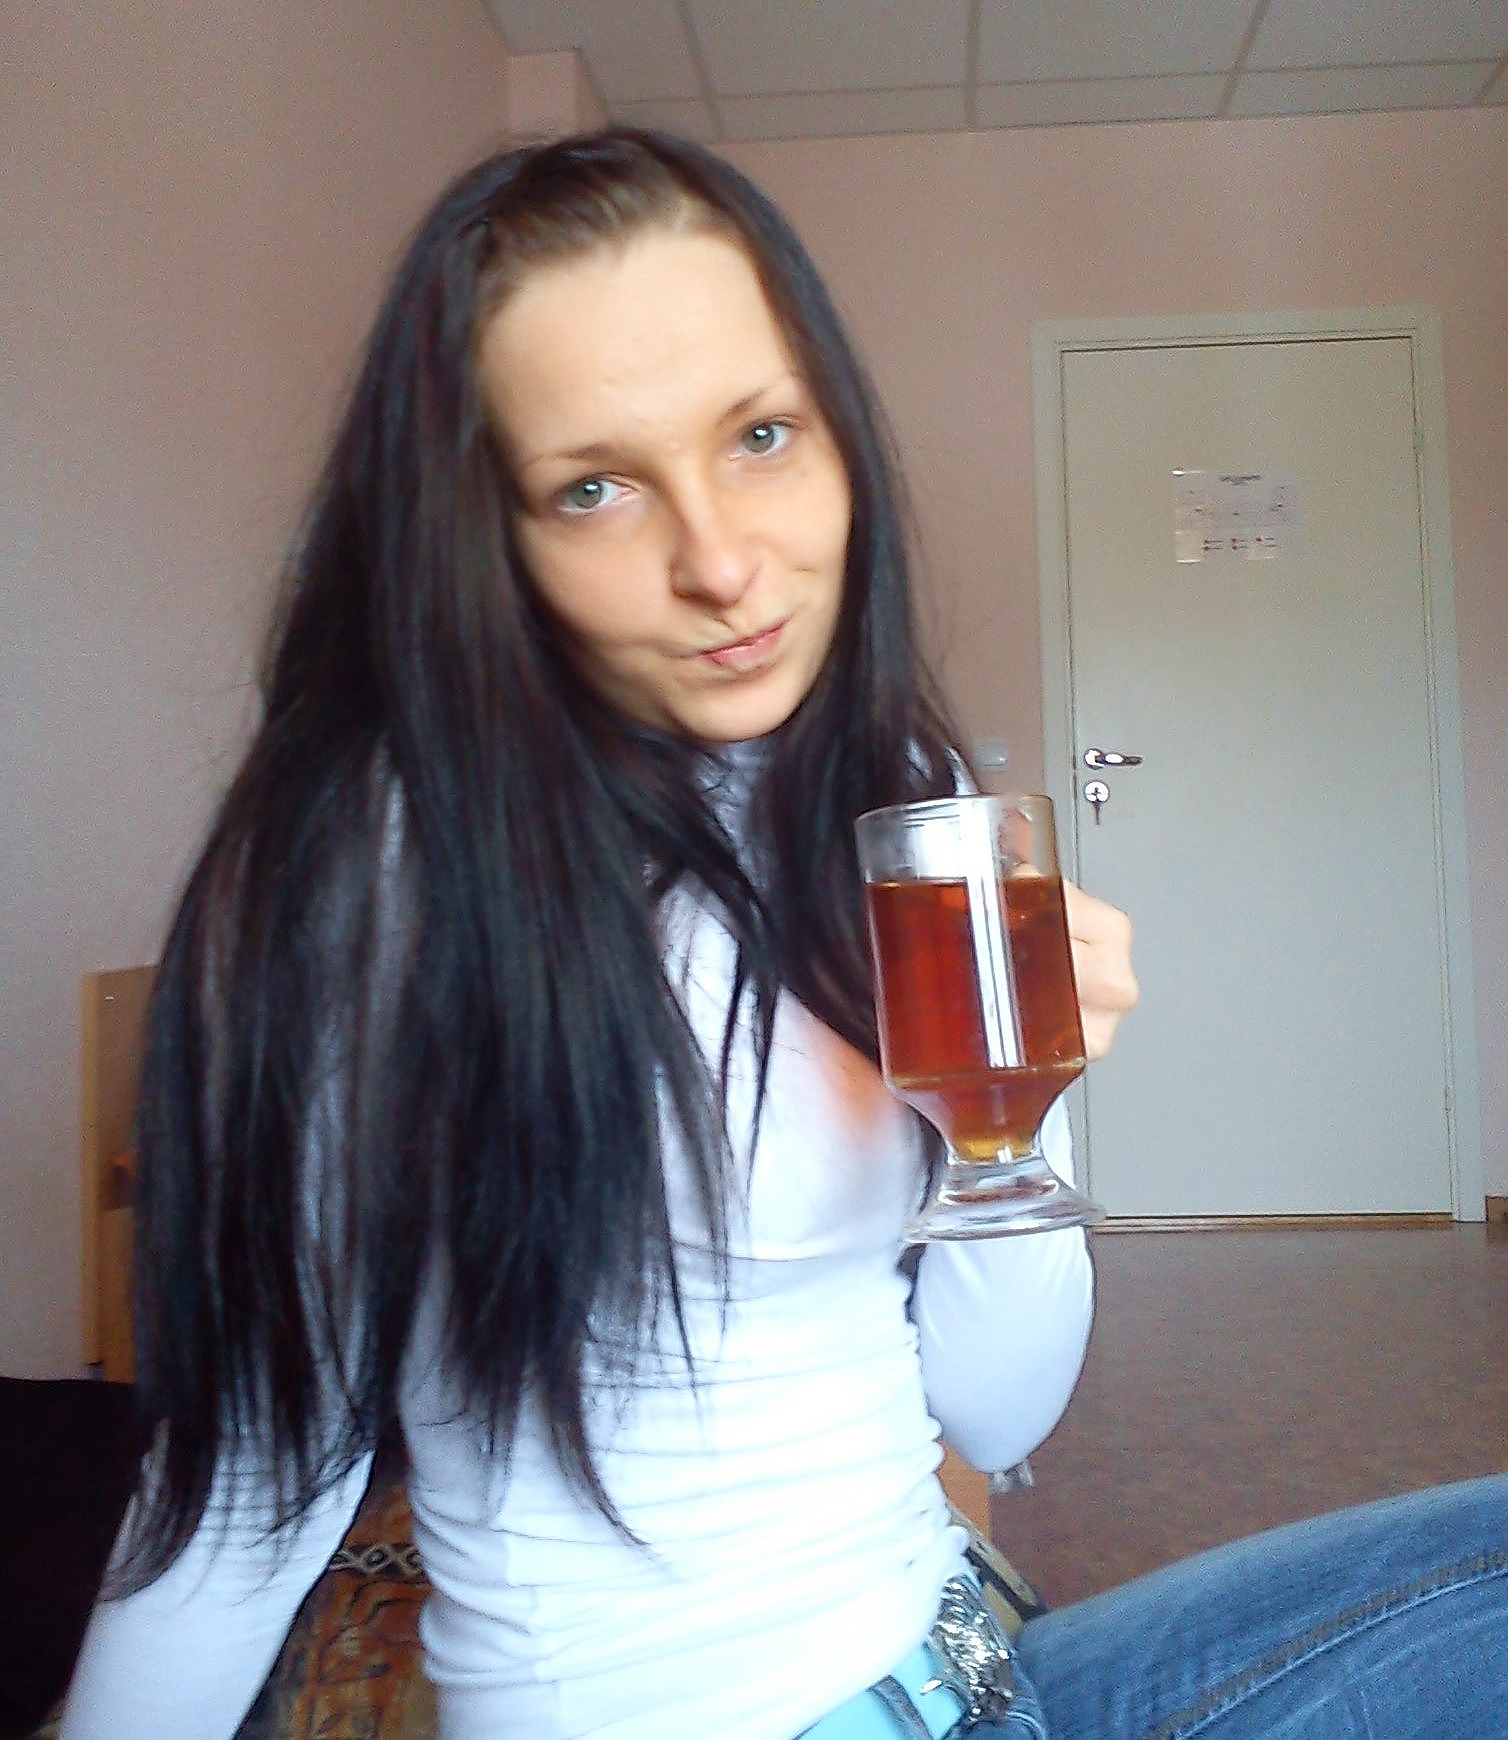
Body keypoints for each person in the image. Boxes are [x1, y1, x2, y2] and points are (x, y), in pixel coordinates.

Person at [59, 128, 1504, 1740]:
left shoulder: (891, 794)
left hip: (970, 1661)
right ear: (484, 539)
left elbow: (995, 1412)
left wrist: (1012, 1122)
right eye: (595, 487)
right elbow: (249, 1481)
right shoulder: (388, 876)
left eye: (759, 436)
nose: (723, 562)